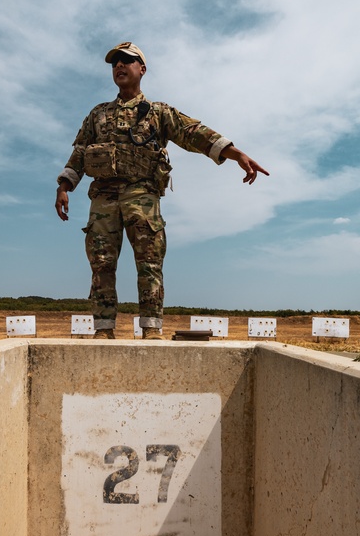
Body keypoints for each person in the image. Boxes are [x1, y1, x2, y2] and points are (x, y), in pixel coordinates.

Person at [54, 41, 268, 339]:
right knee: (101, 263)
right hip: (103, 196)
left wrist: (235, 154)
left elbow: (193, 133)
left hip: (142, 194)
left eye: (126, 61)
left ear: (142, 69)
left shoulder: (157, 113)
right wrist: (64, 187)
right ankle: (103, 330)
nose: (119, 66)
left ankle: (151, 329)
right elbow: (79, 152)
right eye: (115, 62)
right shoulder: (98, 115)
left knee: (149, 262)